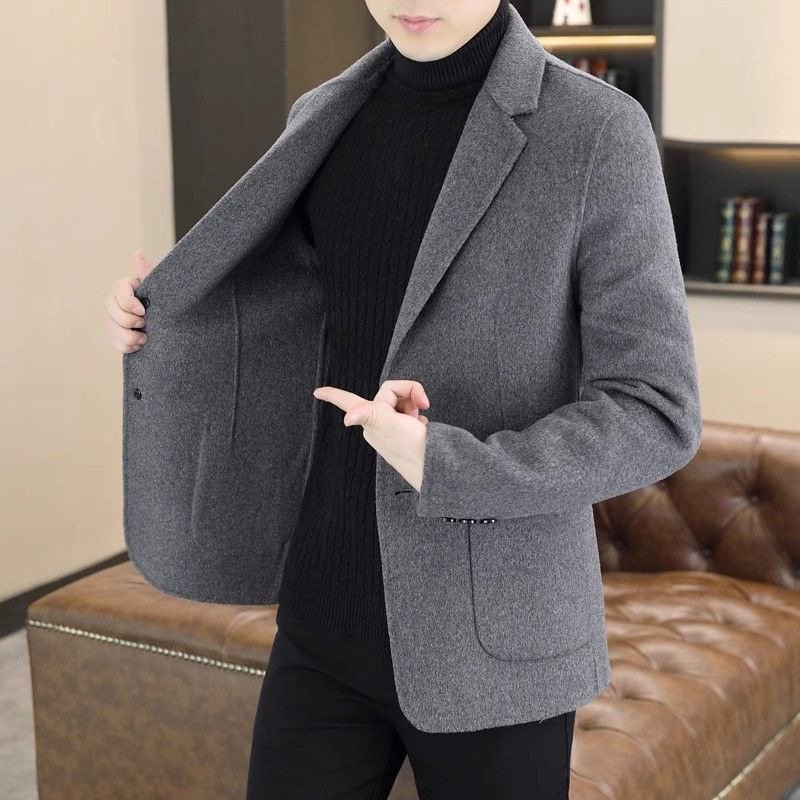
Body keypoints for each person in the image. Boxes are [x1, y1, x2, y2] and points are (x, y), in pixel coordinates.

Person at [106, 0, 697, 797]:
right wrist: (163, 320)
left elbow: (657, 408)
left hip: (494, 641)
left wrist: (446, 463)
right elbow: (292, 323)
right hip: (322, 611)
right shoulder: (323, 114)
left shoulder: (596, 130)